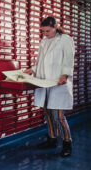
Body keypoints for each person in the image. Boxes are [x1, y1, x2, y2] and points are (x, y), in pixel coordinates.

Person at [24, 16, 75, 157]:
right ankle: (52, 140)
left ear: (55, 27)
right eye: (43, 31)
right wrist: (32, 69)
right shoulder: (44, 41)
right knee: (47, 113)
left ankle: (67, 143)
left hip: (59, 82)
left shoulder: (65, 39)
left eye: (47, 31)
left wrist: (65, 75)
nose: (45, 34)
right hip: (44, 82)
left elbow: (69, 58)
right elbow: (40, 60)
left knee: (58, 116)